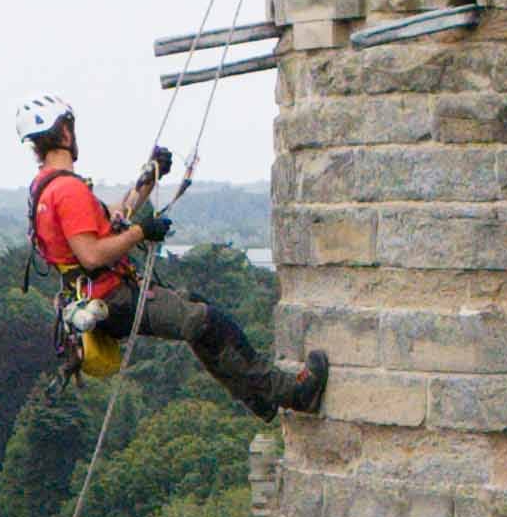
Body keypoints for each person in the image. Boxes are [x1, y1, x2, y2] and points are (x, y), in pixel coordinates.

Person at [26, 103, 325, 417]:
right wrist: (142, 231)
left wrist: (147, 181)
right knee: (204, 321)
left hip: (98, 297)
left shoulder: (46, 186)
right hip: (113, 298)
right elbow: (91, 255)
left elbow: (107, 218)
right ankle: (292, 393)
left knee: (196, 312)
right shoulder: (68, 190)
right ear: (63, 131)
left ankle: (257, 397)